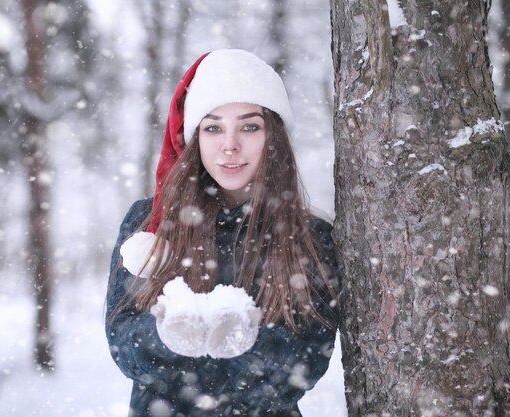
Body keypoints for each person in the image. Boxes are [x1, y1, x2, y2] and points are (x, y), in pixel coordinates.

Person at [105, 49, 340, 417]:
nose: (230, 144)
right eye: (213, 127)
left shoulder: (311, 235)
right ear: (195, 137)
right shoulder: (148, 222)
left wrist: (245, 342)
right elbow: (122, 343)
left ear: (273, 136)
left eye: (249, 126)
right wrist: (167, 337)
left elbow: (307, 362)